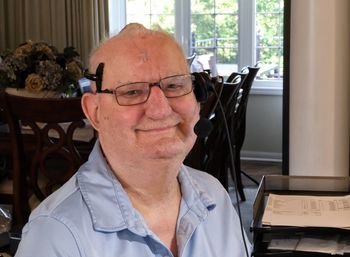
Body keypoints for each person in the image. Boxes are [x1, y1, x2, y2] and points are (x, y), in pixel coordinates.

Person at [15, 23, 251, 257]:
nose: (160, 110)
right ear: (94, 112)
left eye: (174, 85)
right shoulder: (55, 236)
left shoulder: (214, 195)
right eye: (131, 92)